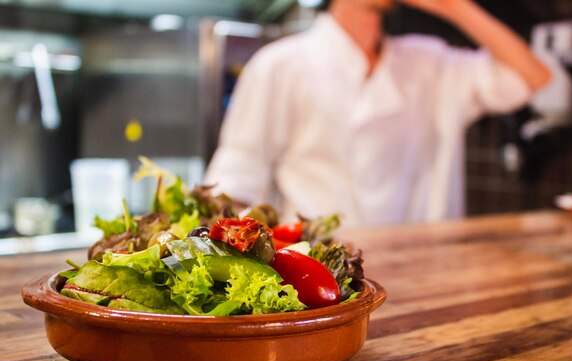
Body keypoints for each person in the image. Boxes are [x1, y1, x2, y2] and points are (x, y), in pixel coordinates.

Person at [205, 0, 551, 227]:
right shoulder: (279, 65)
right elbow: (236, 184)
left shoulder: (429, 62)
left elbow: (532, 77)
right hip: (325, 280)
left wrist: (455, 7)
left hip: (430, 271)